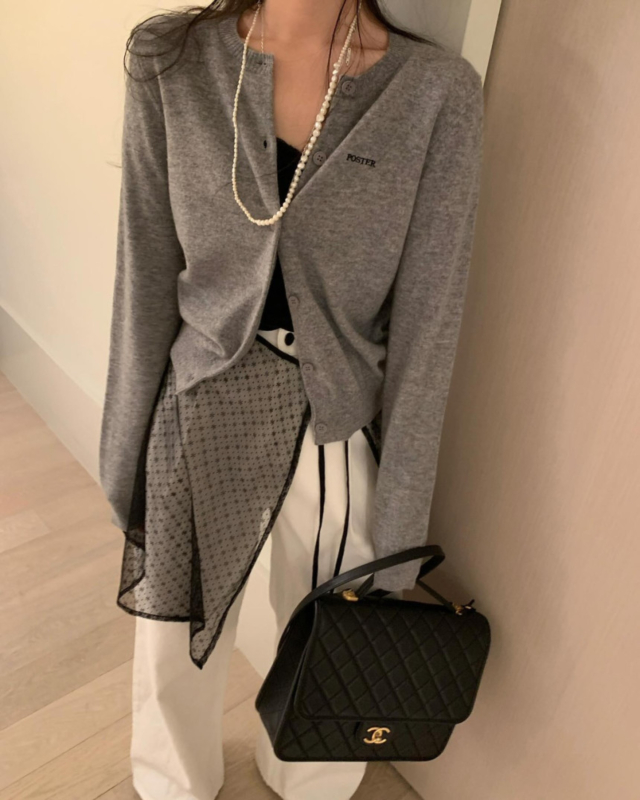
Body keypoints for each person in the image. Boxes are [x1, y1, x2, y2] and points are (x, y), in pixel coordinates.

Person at [98, 1, 484, 798]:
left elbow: (430, 320)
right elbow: (145, 265)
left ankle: (311, 782)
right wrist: (125, 447)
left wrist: (403, 509)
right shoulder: (171, 60)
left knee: (337, 632)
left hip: (334, 411)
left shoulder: (435, 92)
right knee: (173, 636)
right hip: (205, 392)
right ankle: (173, 784)